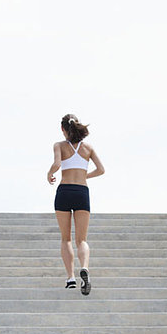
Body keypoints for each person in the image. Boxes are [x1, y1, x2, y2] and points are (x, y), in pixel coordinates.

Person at [47, 113, 105, 295]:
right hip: (82, 192)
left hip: (64, 191)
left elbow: (57, 164)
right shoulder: (88, 148)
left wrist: (49, 173)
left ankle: (71, 278)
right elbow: (101, 170)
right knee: (82, 240)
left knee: (66, 238)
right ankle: (85, 268)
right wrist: (84, 175)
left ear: (63, 129)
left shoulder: (59, 145)